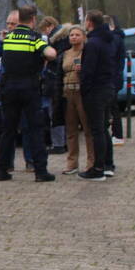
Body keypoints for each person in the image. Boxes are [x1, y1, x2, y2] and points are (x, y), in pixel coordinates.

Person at [0, 5, 57, 182]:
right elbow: (51, 54)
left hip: (8, 88)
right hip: (29, 88)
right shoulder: (34, 38)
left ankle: (2, 170)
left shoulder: (8, 37)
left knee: (8, 130)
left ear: (18, 19)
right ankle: (41, 172)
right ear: (33, 19)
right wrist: (45, 53)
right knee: (35, 129)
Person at [78, 10, 117, 181]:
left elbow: (89, 70)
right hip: (108, 87)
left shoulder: (93, 43)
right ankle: (108, 164)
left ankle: (98, 168)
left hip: (96, 91)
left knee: (97, 130)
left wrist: (84, 89)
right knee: (103, 128)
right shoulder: (109, 40)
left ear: (90, 22)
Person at [59, 25, 95, 174]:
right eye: (71, 35)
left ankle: (91, 161)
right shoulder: (65, 54)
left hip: (82, 92)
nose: (73, 37)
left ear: (83, 37)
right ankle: (72, 163)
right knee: (71, 130)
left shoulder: (87, 52)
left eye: (77, 35)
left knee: (88, 129)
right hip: (67, 92)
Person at [40, 17, 68, 154]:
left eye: (45, 30)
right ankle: (65, 142)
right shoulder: (66, 38)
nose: (45, 33)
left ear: (50, 26)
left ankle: (58, 144)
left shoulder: (56, 41)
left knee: (55, 113)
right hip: (63, 81)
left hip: (54, 81)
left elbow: (55, 60)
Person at [106, 14, 126, 162]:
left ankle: (117, 134)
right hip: (116, 76)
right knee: (113, 107)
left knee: (113, 107)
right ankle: (117, 134)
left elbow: (112, 58)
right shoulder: (118, 38)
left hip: (112, 78)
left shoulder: (113, 39)